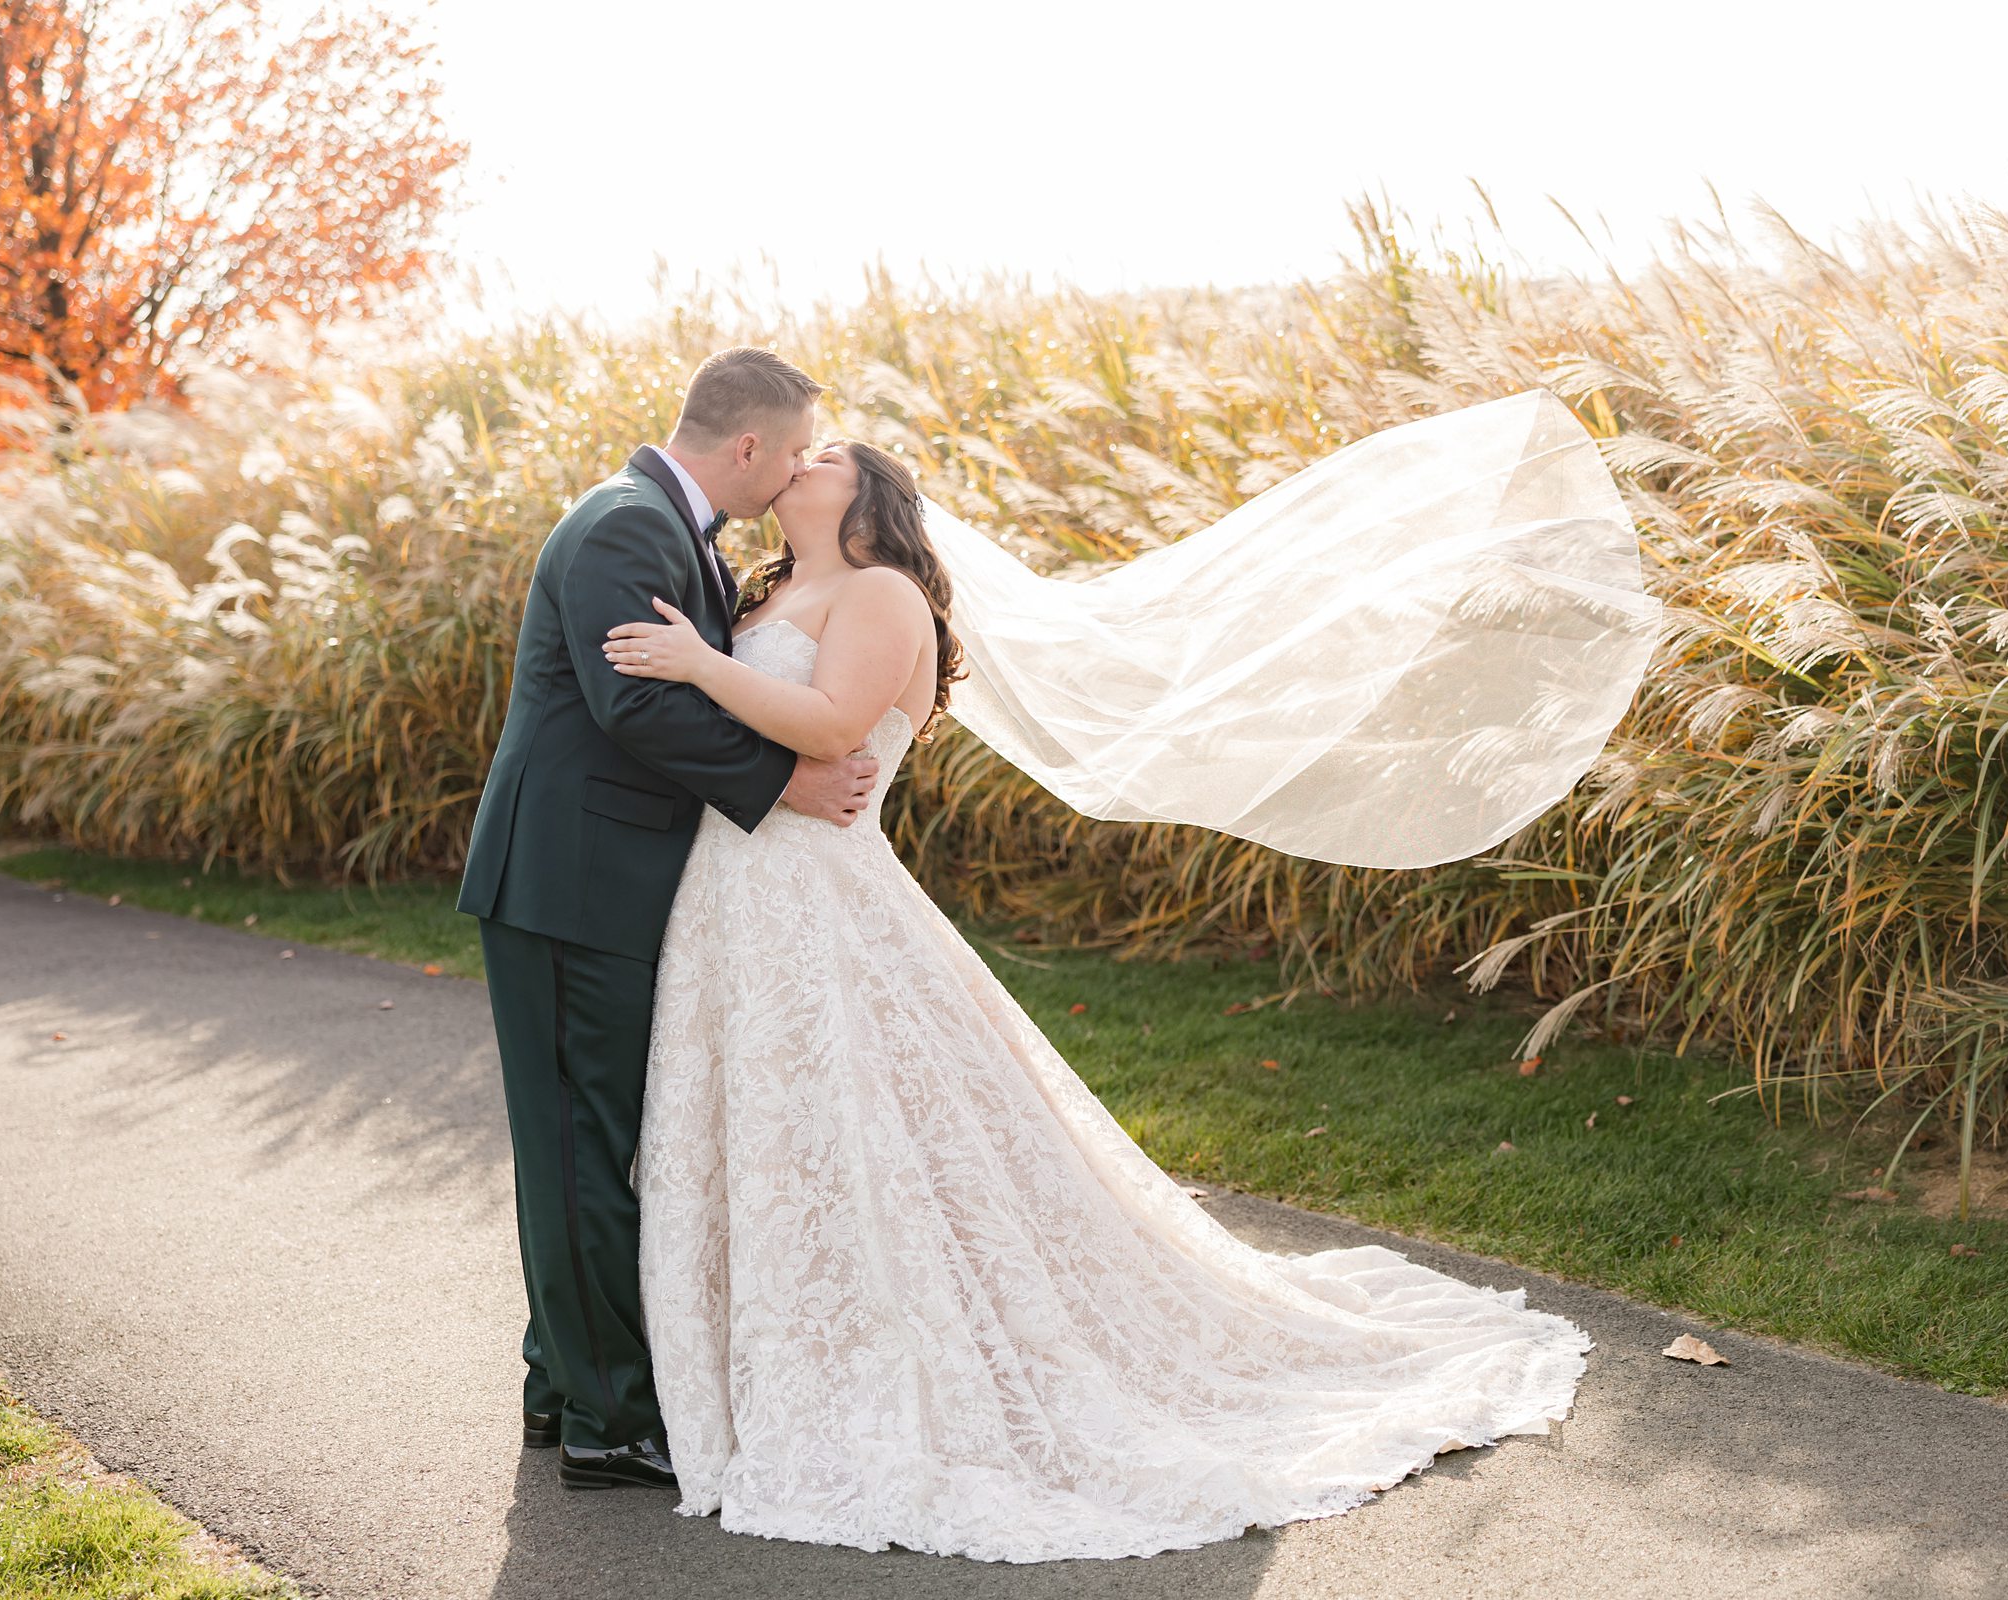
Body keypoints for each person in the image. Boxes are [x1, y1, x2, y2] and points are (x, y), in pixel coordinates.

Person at [598, 436, 1599, 1563]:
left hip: (819, 897)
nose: (799, 458)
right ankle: (759, 1371)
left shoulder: (882, 593)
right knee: (781, 1134)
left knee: (863, 1127)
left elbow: (833, 730)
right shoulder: (770, 587)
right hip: (730, 899)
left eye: (825, 450)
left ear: (868, 494)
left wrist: (696, 664)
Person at [455, 347, 878, 1489]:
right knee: (582, 1146)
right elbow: (632, 699)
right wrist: (784, 783)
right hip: (565, 884)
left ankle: (560, 1384)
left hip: (598, 880)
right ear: (747, 447)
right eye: (791, 452)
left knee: (589, 1137)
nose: (794, 474)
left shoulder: (665, 529)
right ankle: (605, 1420)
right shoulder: (626, 526)